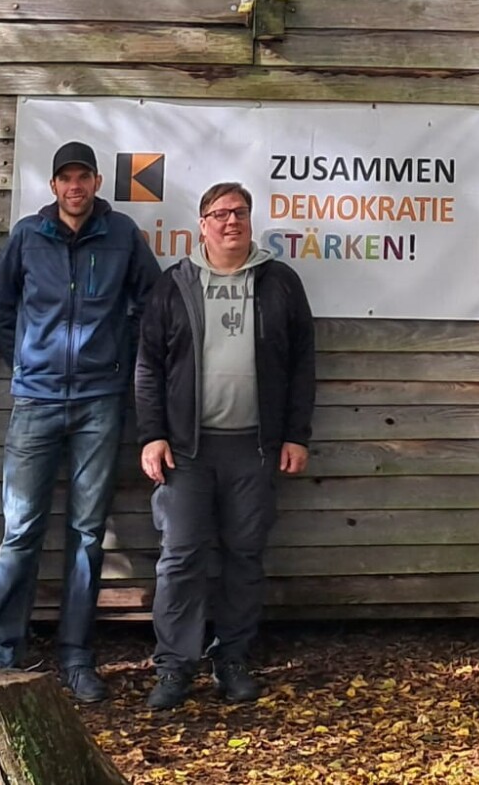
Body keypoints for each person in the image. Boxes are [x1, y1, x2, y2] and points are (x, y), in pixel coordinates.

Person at [0, 141, 162, 703]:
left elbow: (151, 303)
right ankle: (2, 653)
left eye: (84, 178)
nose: (75, 187)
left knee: (86, 533)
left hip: (98, 401)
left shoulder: (123, 235)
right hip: (35, 399)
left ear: (96, 182)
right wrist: (24, 359)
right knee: (20, 530)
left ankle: (77, 656)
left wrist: (120, 359)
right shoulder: (29, 237)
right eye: (66, 179)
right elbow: (1, 302)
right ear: (54, 185)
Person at [136, 182, 316, 711]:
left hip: (255, 448)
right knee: (181, 557)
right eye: (219, 214)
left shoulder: (280, 281)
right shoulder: (175, 284)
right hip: (187, 451)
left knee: (244, 555)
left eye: (238, 212)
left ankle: (232, 659)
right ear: (202, 225)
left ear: (251, 219)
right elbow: (148, 366)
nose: (230, 222)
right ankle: (174, 668)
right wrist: (152, 434)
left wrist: (295, 435)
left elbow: (304, 364)